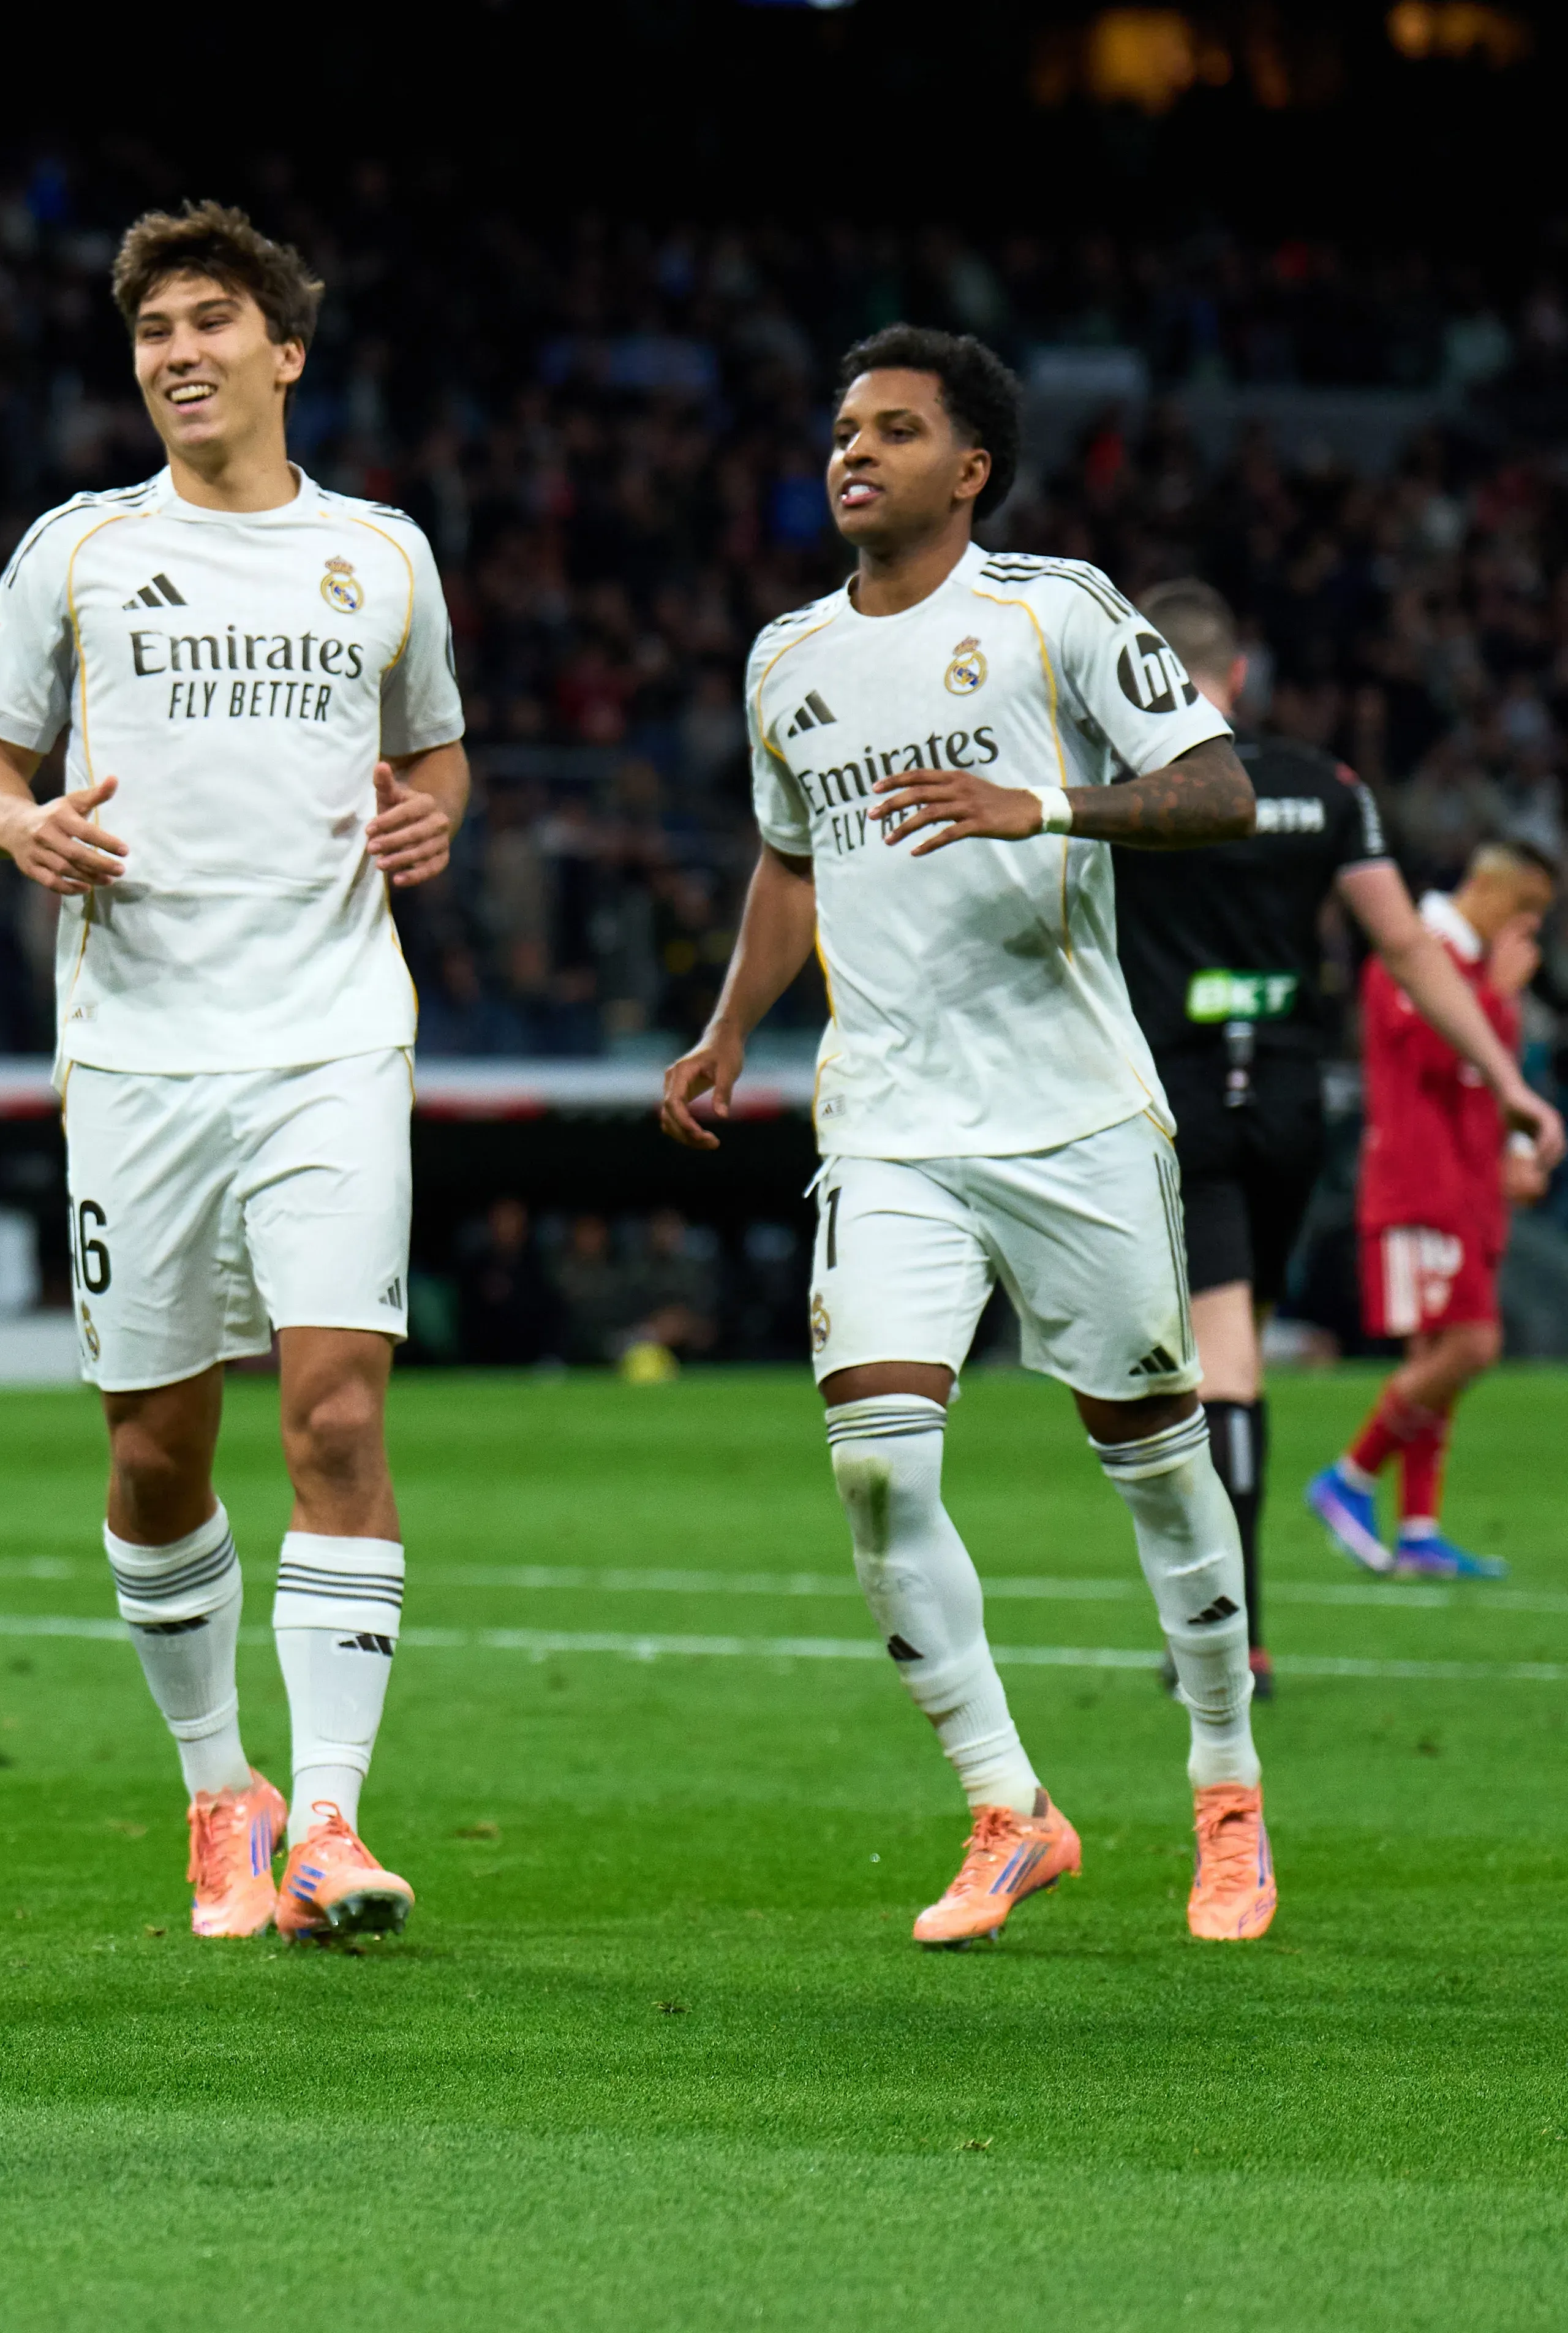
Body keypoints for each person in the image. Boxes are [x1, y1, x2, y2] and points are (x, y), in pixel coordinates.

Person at [659, 325, 1278, 1946]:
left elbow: (1219, 790)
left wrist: (1046, 806)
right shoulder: (787, 659)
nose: (851, 453)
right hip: (890, 1127)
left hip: (1075, 1115)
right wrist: (731, 1028)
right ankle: (1009, 1804)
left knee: (1153, 1465)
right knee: (876, 1461)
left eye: (893, 431)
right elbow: (791, 861)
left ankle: (1226, 1787)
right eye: (843, 430)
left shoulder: (1051, 611)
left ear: (971, 468)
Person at [0, 203, 468, 1945]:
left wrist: (432, 817)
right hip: (140, 1047)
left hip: (331, 1031)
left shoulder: (382, 555)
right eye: (155, 328)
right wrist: (23, 828)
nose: (178, 351)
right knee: (160, 1452)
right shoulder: (79, 554)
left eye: (211, 321)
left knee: (333, 1414)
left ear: (284, 351)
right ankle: (214, 1792)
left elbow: (440, 757)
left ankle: (328, 1821)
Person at [1114, 585, 1562, 1666]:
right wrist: (1507, 1076)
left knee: (1207, 1366)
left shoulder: (1116, 798)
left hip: (1166, 1102)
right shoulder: (1325, 790)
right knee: (1236, 1355)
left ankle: (1233, 1641)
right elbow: (1407, 947)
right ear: (1238, 673)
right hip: (1285, 1106)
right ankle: (1235, 1630)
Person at [1309, 838, 1561, 1578]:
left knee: (1439, 1358)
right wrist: (1499, 998)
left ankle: (1419, 1531)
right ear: (1490, 892)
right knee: (1470, 1347)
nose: (1531, 933)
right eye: (1527, 912)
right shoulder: (1412, 950)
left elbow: (1485, 1085)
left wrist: (1512, 1157)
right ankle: (1349, 1477)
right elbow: (1436, 1056)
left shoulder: (1471, 968)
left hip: (1469, 1186)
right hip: (1421, 1187)